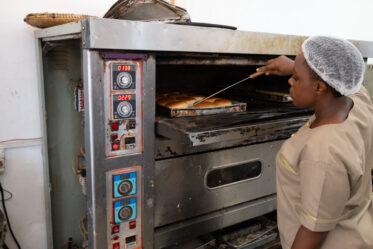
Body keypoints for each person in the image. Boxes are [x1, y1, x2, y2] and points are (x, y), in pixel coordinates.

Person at [255, 36, 373, 249]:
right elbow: (339, 76)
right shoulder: (359, 102)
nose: (290, 81)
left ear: (320, 87)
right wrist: (297, 67)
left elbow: (312, 234)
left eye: (296, 78)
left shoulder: (322, 154)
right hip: (360, 229)